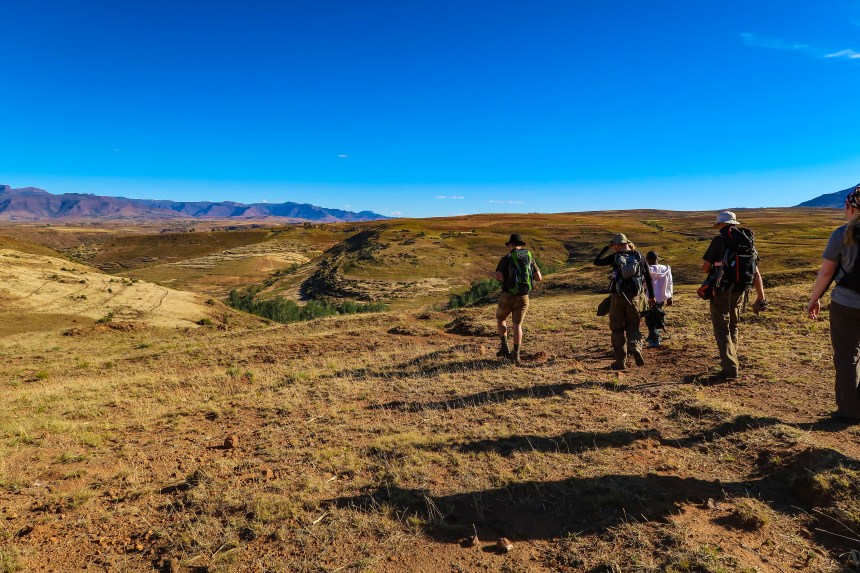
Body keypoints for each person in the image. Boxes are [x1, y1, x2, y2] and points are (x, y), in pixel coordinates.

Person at [807, 184, 860, 421]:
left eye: (845, 205)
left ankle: (849, 411)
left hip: (847, 304)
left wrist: (814, 299)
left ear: (850, 207)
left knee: (846, 356)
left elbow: (827, 272)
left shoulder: (842, 233)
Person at [701, 211, 767, 380]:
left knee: (721, 328)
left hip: (721, 290)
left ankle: (730, 368)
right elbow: (756, 271)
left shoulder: (719, 240)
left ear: (721, 225)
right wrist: (761, 297)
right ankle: (731, 360)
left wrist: (718, 266)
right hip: (740, 289)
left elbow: (705, 268)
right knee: (733, 326)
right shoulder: (747, 241)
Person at [594, 234, 655, 370]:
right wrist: (651, 297)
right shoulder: (640, 256)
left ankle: (620, 361)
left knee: (617, 329)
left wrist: (606, 248)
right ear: (627, 243)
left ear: (616, 245)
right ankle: (635, 346)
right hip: (634, 297)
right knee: (633, 326)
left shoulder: (615, 257)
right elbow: (648, 278)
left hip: (617, 297)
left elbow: (597, 262)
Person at [495, 233, 542, 366]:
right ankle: (516, 356)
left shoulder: (507, 258)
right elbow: (539, 277)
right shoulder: (529, 257)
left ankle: (504, 348)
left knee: (501, 319)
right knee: (517, 325)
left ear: (510, 245)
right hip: (523, 297)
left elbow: (498, 277)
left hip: (508, 295)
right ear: (521, 245)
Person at [645, 251, 673, 348]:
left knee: (650, 318)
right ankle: (651, 336)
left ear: (647, 259)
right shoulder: (666, 268)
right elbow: (670, 283)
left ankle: (655, 339)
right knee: (657, 315)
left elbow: (644, 284)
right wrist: (670, 297)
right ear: (657, 258)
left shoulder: (646, 269)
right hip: (661, 297)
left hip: (648, 297)